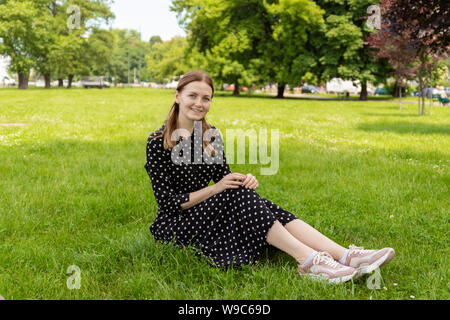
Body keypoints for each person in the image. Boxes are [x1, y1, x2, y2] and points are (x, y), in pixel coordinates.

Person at [144, 70, 395, 284]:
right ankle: (308, 261)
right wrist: (217, 188)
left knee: (247, 195)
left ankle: (345, 256)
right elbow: (168, 203)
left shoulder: (210, 135)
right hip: (175, 224)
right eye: (193, 96)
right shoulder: (157, 143)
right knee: (237, 197)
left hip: (205, 211)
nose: (199, 103)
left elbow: (224, 178)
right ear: (177, 96)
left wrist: (242, 180)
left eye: (206, 98)